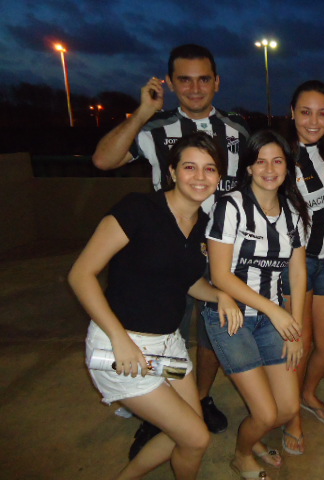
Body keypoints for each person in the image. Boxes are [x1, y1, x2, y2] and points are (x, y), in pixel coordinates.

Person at [92, 43, 248, 451]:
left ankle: (198, 397)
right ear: (172, 84)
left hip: (221, 252)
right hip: (168, 252)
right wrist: (142, 111)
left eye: (203, 79)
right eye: (184, 79)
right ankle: (155, 413)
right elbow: (104, 160)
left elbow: (268, 172)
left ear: (217, 82)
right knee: (166, 332)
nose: (195, 88)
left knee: (213, 336)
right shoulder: (154, 129)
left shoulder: (237, 131)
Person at [69, 132, 242, 479]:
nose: (200, 177)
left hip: (169, 349)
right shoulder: (138, 209)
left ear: (219, 178)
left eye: (210, 169)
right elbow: (81, 274)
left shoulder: (201, 227)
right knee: (194, 437)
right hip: (120, 348)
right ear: (173, 171)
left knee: (191, 431)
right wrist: (120, 339)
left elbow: (188, 281)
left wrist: (220, 294)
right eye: (190, 167)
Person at [203, 130, 310, 479]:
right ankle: (242, 452)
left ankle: (257, 437)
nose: (269, 168)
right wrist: (275, 311)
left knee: (288, 408)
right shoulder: (230, 205)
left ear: (287, 168)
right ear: (248, 167)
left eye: (277, 160)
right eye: (260, 160)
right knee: (265, 414)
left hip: (271, 320)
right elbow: (220, 275)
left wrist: (295, 328)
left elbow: (297, 275)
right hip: (231, 317)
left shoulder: (293, 213)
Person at [278, 80, 324, 455]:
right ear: (292, 112)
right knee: (297, 346)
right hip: (297, 262)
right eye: (305, 111)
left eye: (323, 113)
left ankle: (307, 393)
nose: (313, 120)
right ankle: (292, 416)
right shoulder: (281, 156)